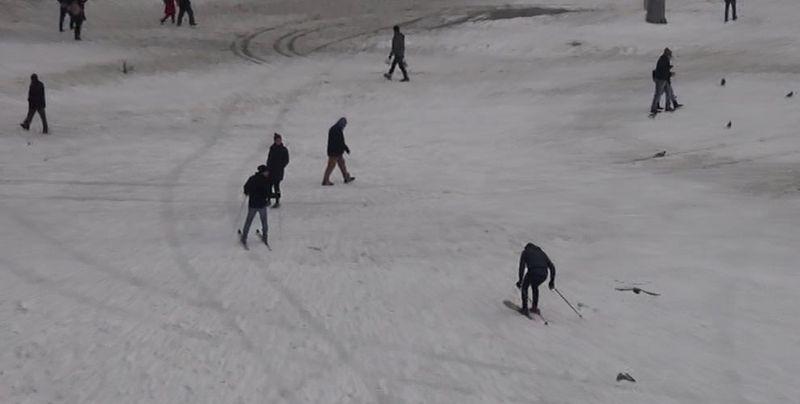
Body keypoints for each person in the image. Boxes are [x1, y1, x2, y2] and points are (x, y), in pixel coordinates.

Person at [516, 243, 556, 316]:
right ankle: (534, 308)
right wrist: (551, 281)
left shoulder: (525, 252)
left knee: (524, 287)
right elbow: (552, 267)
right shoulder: (542, 253)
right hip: (544, 274)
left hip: (533, 272)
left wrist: (520, 281)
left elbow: (522, 267)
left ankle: (525, 309)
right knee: (535, 286)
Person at [241, 165, 270, 247]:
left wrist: (247, 192)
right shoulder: (266, 180)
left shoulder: (252, 178)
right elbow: (267, 192)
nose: (268, 173)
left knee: (248, 221)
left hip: (252, 204)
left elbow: (246, 187)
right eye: (266, 172)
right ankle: (265, 237)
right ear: (263, 172)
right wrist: (268, 200)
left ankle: (244, 237)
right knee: (264, 221)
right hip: (262, 205)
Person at [322, 117, 355, 186]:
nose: (344, 126)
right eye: (344, 124)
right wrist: (345, 148)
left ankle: (346, 177)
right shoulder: (337, 130)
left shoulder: (335, 128)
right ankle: (325, 180)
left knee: (342, 163)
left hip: (337, 151)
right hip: (334, 151)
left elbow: (340, 141)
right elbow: (339, 141)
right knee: (331, 165)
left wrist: (344, 148)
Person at [649, 48, 682, 116]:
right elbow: (663, 71)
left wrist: (669, 67)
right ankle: (654, 108)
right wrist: (670, 74)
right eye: (670, 55)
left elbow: (664, 69)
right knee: (658, 94)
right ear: (668, 54)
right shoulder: (664, 60)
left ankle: (668, 106)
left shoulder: (664, 59)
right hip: (661, 79)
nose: (670, 56)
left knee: (669, 92)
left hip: (664, 79)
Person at [265, 133, 289, 207]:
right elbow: (269, 159)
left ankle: (277, 201)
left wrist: (280, 166)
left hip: (278, 172)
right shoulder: (272, 148)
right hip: (271, 170)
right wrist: (267, 168)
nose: (278, 141)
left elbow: (286, 160)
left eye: (279, 140)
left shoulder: (284, 149)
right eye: (277, 140)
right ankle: (268, 200)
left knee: (276, 186)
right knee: (268, 185)